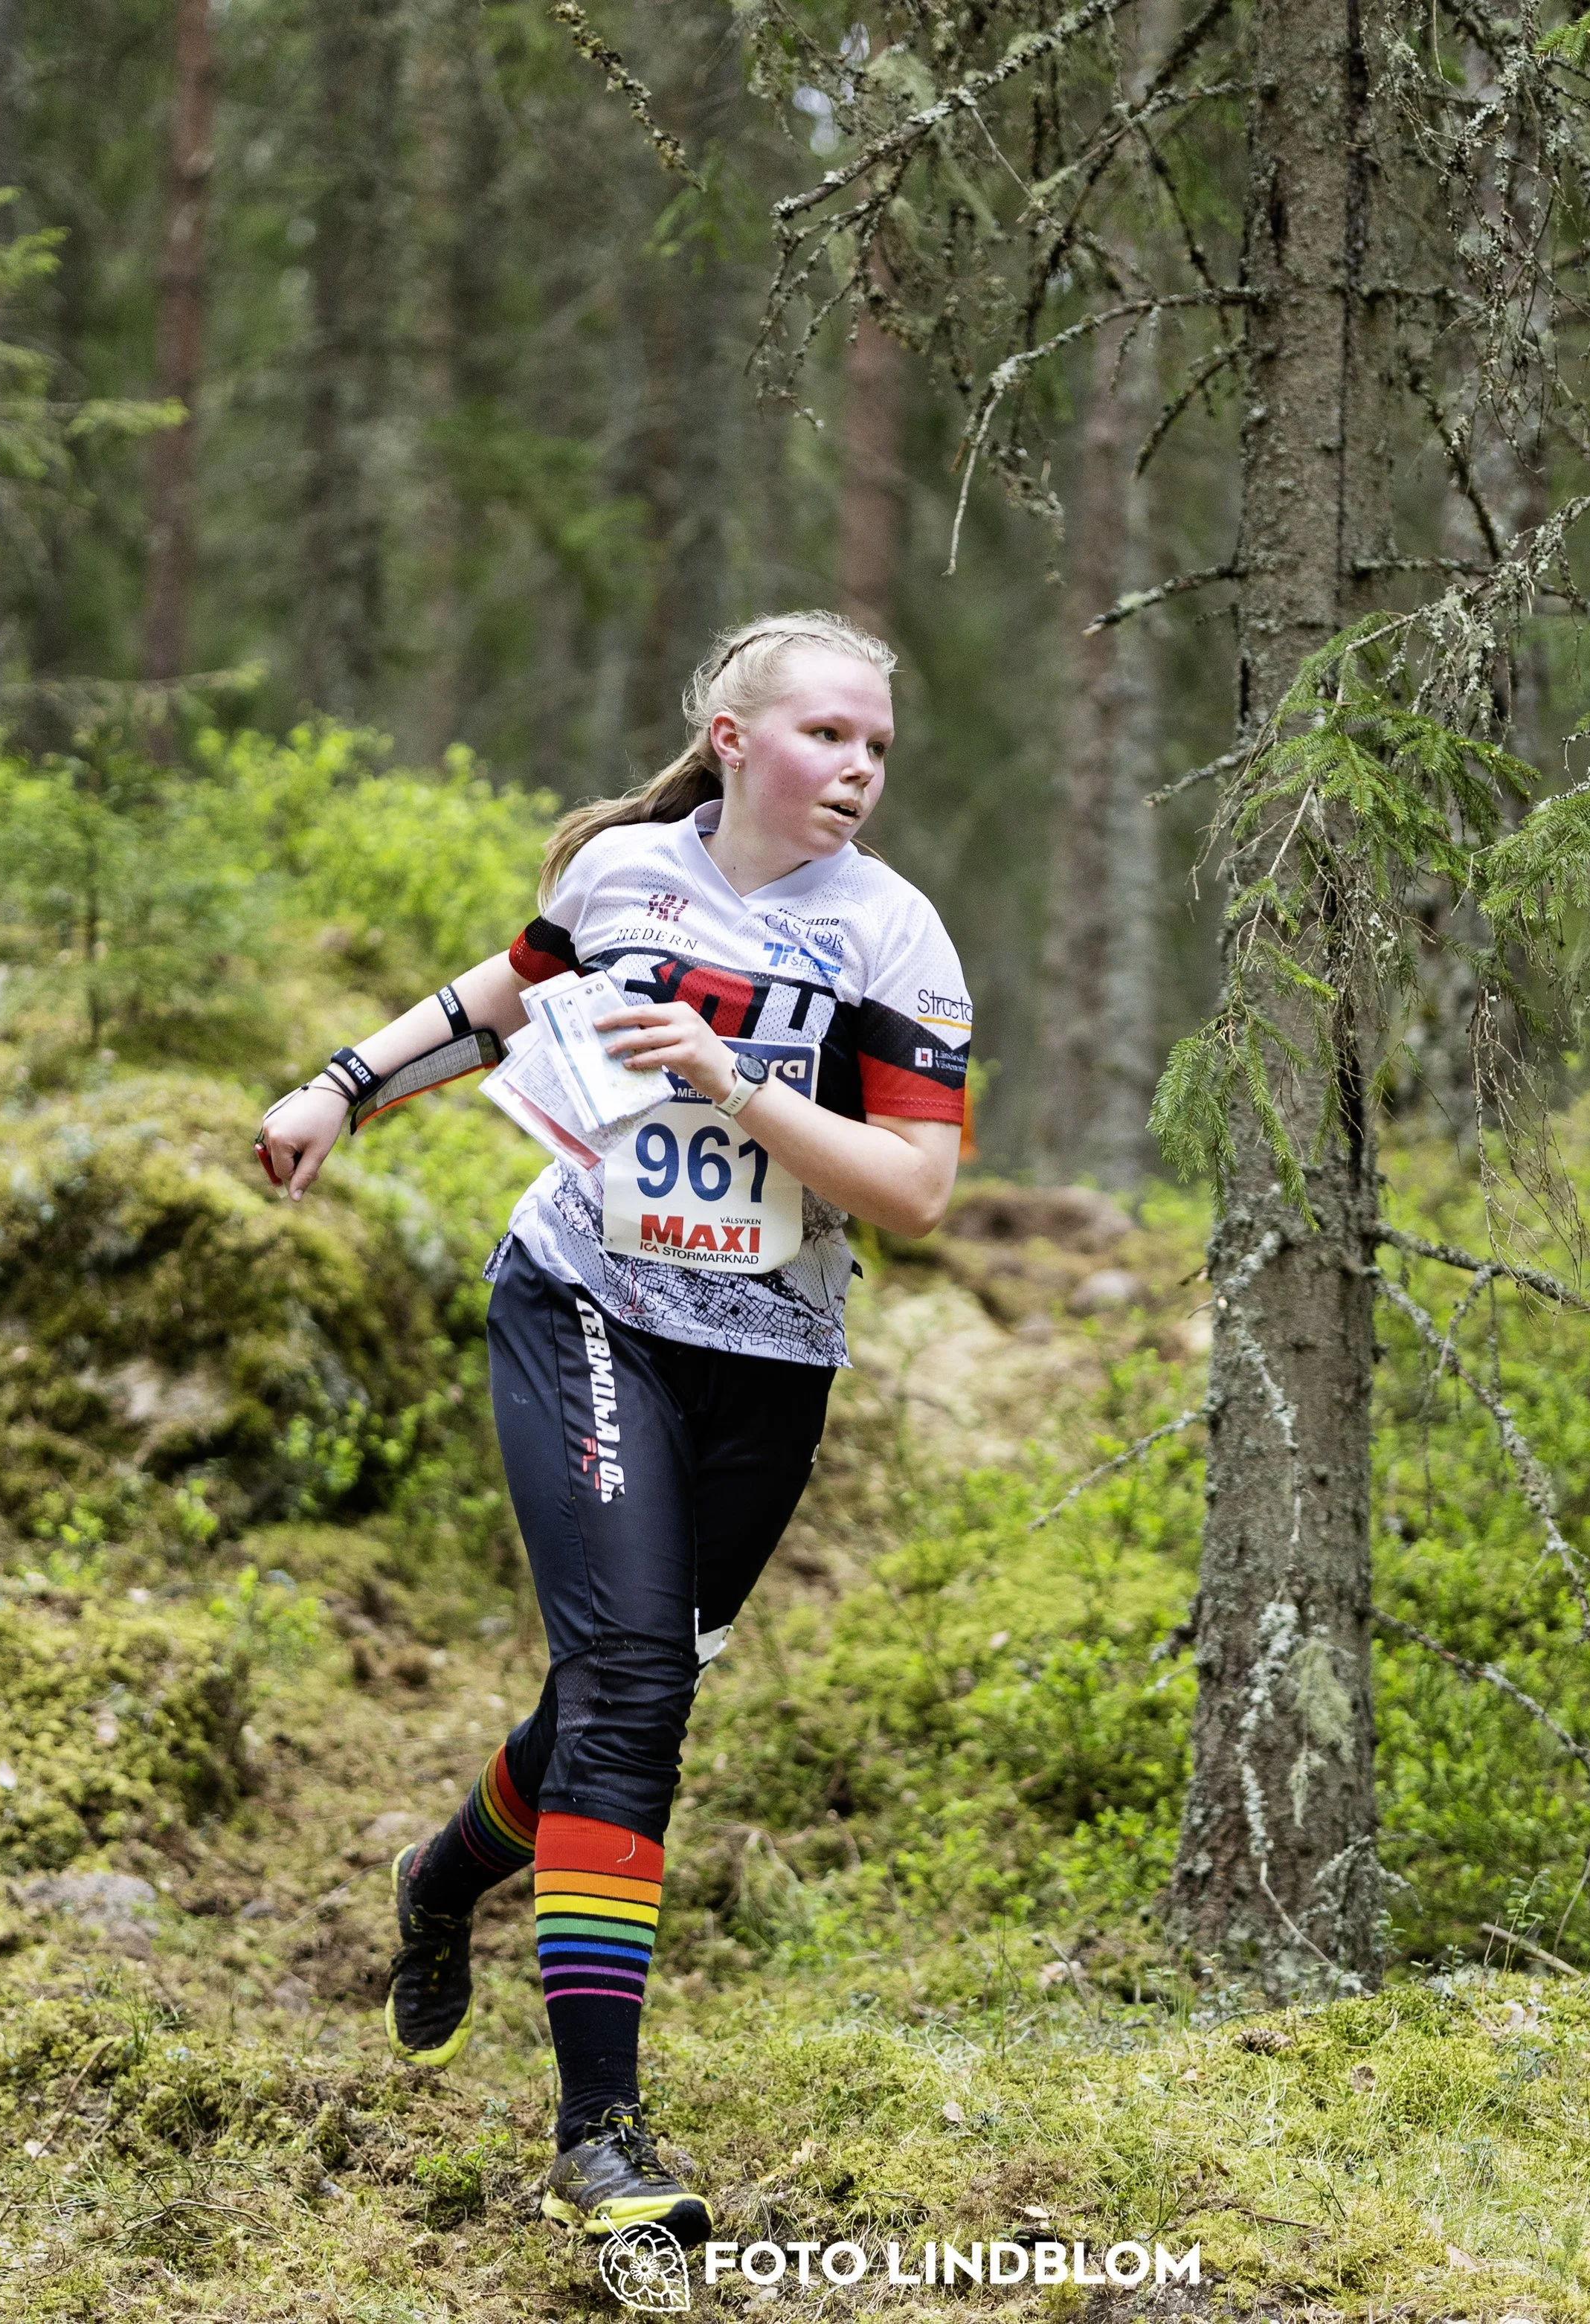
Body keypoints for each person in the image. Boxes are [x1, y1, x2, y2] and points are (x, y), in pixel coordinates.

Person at [254, 610, 971, 2247]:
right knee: (634, 1693)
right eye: (826, 735)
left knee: (615, 1692)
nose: (857, 768)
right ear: (733, 739)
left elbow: (918, 1190)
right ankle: (600, 2137)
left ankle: (444, 1875)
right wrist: (338, 1088)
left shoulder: (892, 932)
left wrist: (734, 1080)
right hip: (587, 1299)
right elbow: (500, 1000)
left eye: (875, 743)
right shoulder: (626, 872)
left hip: (771, 1355)